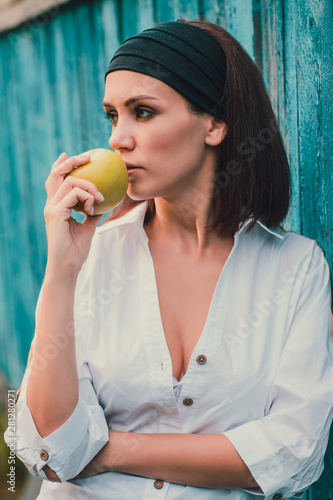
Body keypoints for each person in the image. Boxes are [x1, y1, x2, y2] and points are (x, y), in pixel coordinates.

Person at [5, 19, 333, 500]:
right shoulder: (92, 256)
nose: (118, 139)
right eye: (112, 116)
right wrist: (61, 270)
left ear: (215, 124)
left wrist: (112, 450)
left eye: (142, 112)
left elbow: (292, 451)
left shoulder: (296, 268)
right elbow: (51, 448)